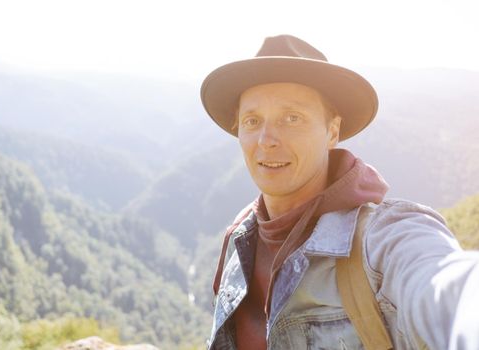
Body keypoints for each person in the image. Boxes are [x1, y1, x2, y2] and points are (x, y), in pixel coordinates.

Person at [199, 35, 479, 350]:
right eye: (252, 121)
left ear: (332, 131)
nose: (266, 139)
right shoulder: (241, 236)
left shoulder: (381, 240)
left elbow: (441, 285)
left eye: (292, 118)